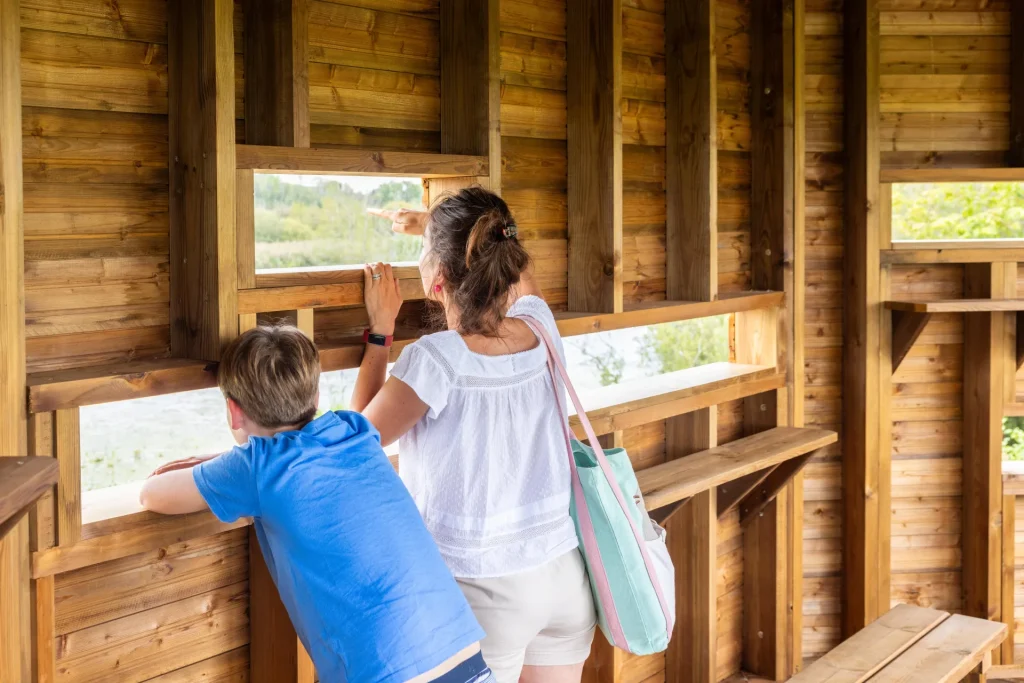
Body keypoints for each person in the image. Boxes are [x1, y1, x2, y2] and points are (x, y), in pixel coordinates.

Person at [138, 325, 493, 683]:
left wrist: (225, 462)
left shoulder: (260, 466)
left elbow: (152, 494)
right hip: (464, 654)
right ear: (317, 394)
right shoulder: (354, 430)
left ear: (234, 412)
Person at [354, 188, 597, 683]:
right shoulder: (542, 328)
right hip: (564, 577)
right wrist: (448, 229)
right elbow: (519, 271)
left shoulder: (437, 359)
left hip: (485, 591)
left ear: (436, 279)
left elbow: (356, 443)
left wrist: (381, 332)